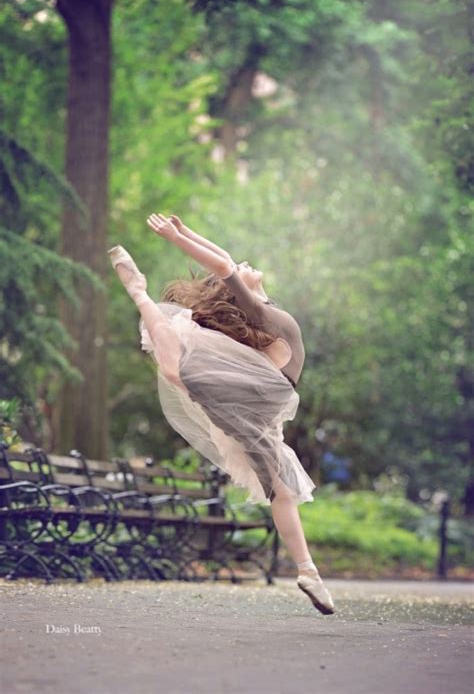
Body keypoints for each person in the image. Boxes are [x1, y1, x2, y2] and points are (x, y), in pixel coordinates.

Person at [108, 212, 335, 615]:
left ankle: (307, 570)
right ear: (235, 289)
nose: (244, 266)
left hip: (260, 396)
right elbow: (225, 266)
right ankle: (308, 571)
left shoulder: (265, 313)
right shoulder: (262, 314)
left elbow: (226, 261)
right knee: (279, 488)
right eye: (239, 272)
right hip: (259, 397)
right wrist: (176, 239)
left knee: (181, 369)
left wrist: (184, 231)